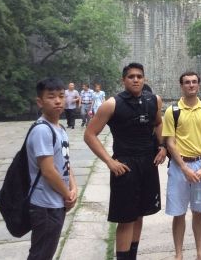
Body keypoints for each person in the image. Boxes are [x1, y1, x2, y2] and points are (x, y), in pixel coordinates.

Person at [84, 63, 166, 260]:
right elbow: (90, 134)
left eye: (139, 76)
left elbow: (159, 122)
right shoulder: (112, 104)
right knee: (126, 218)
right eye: (131, 76)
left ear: (144, 79)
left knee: (140, 214)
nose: (136, 79)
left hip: (147, 163)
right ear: (124, 80)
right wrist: (109, 162)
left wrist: (162, 146)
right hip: (125, 165)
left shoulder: (154, 100)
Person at [162, 71, 201, 260]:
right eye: (187, 82)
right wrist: (185, 168)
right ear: (181, 86)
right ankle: (179, 254)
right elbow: (170, 142)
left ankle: (200, 252)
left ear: (199, 85)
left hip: (200, 166)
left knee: (198, 211)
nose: (191, 85)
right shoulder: (172, 111)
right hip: (179, 168)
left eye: (194, 82)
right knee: (178, 213)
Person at [27, 78, 77, 260]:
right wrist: (66, 194)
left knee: (46, 251)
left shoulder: (60, 128)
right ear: (40, 102)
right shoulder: (42, 130)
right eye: (51, 97)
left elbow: (65, 162)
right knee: (41, 253)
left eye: (61, 96)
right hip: (45, 205)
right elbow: (48, 171)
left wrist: (74, 189)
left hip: (57, 202)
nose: (58, 101)